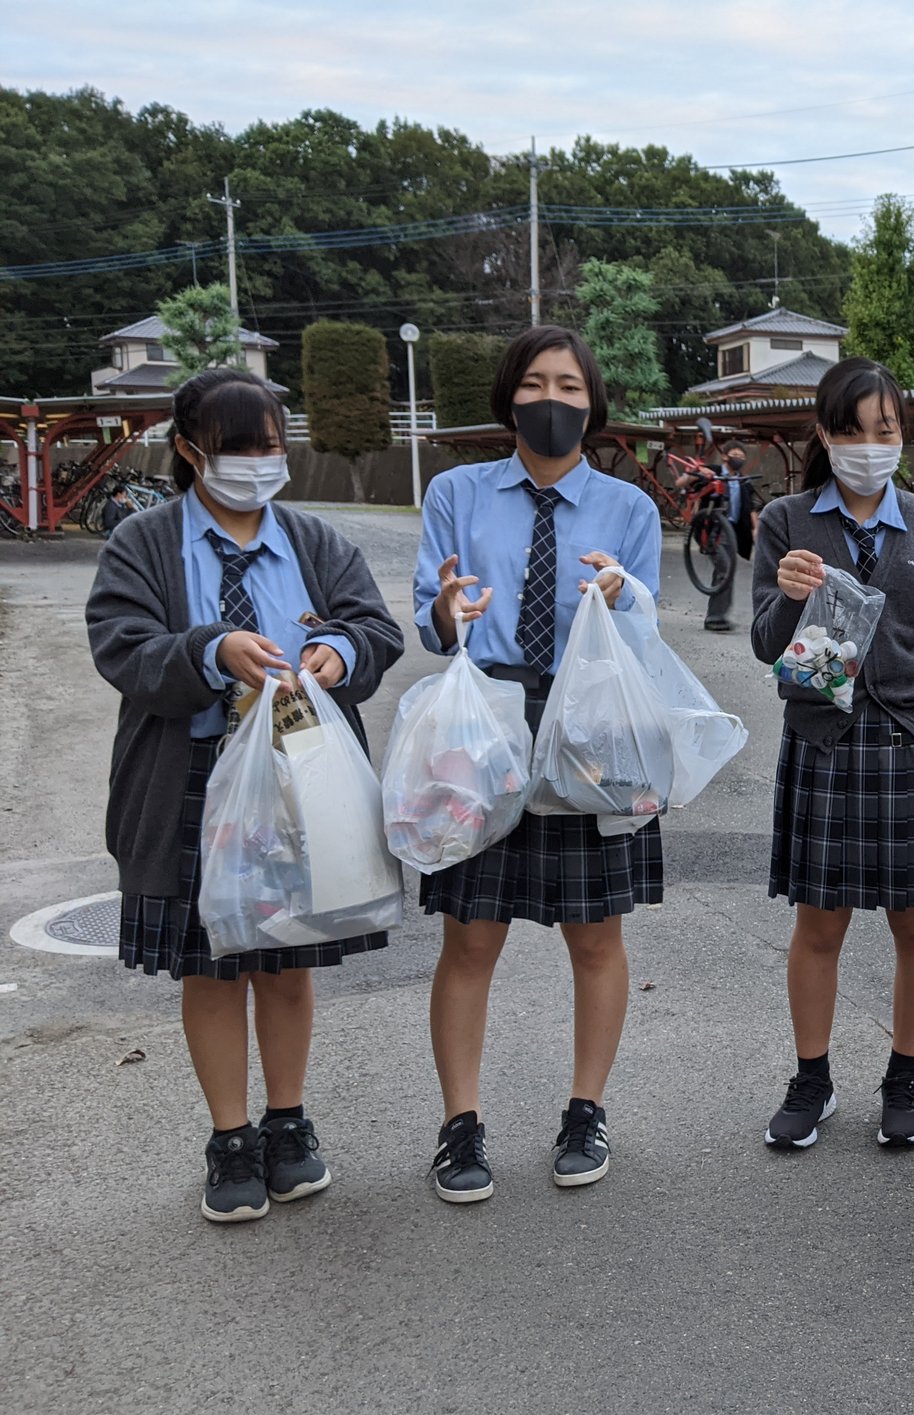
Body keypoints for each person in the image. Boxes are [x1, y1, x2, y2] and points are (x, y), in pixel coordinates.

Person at [85, 368, 404, 1223]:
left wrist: (341, 651)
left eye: (271, 444)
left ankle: (288, 1122)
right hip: (185, 783)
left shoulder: (313, 540)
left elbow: (376, 627)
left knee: (287, 960)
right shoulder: (144, 541)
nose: (260, 462)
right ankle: (230, 1139)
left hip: (302, 787)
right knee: (211, 967)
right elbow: (118, 644)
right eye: (239, 448)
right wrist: (209, 650)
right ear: (190, 450)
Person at [413, 325, 665, 1204]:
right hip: (484, 722)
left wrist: (621, 593)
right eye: (533, 384)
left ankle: (586, 1110)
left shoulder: (630, 507)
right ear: (507, 398)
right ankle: (460, 1126)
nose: (550, 400)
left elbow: (646, 617)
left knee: (595, 934)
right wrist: (448, 612)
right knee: (470, 935)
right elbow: (427, 614)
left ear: (592, 404)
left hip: (592, 726)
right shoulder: (455, 491)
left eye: (568, 386)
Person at [751, 358, 914, 1150]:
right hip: (824, 744)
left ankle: (904, 1075)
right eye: (852, 430)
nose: (869, 445)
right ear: (824, 433)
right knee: (819, 925)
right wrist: (786, 600)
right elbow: (763, 645)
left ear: (902, 435)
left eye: (884, 430)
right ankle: (811, 1079)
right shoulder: (786, 520)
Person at [704, 444, 760, 633]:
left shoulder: (743, 481)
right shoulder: (714, 472)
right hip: (715, 531)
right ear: (725, 456)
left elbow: (751, 507)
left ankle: (716, 615)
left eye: (741, 455)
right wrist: (700, 472)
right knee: (725, 570)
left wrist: (756, 529)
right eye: (734, 454)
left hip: (732, 533)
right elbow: (691, 479)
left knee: (724, 571)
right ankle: (716, 617)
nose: (738, 458)